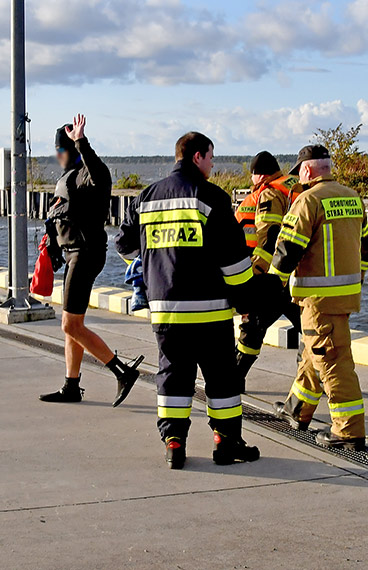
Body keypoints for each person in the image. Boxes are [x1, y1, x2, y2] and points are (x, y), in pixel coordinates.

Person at [116, 131, 278, 468]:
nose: (213, 163)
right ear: (196, 157)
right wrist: (246, 299)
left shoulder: (147, 197)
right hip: (210, 313)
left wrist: (154, 263)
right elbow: (233, 262)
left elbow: (125, 245)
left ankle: (174, 442)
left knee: (173, 377)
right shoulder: (210, 198)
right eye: (211, 157)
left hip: (165, 313)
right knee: (222, 380)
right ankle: (225, 442)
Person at [270, 144, 368, 451]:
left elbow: (288, 250)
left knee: (332, 361)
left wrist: (271, 288)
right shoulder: (352, 198)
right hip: (345, 294)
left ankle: (348, 430)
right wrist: (359, 278)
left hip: (317, 298)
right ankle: (297, 410)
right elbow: (366, 248)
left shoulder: (307, 201)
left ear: (306, 170)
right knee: (314, 355)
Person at [39, 114, 144, 407]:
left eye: (61, 150)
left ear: (71, 150)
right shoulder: (67, 177)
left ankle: (121, 371)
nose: (57, 156)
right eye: (57, 151)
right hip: (72, 255)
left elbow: (100, 174)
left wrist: (81, 141)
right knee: (72, 323)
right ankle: (71, 386)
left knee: (70, 326)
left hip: (85, 255)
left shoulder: (88, 174)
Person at [234, 151, 302, 391]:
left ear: (259, 174)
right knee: (308, 328)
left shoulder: (270, 192)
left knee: (252, 325)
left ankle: (235, 378)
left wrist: (257, 271)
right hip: (299, 273)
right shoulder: (295, 186)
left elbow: (268, 236)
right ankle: (312, 380)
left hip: (275, 276)